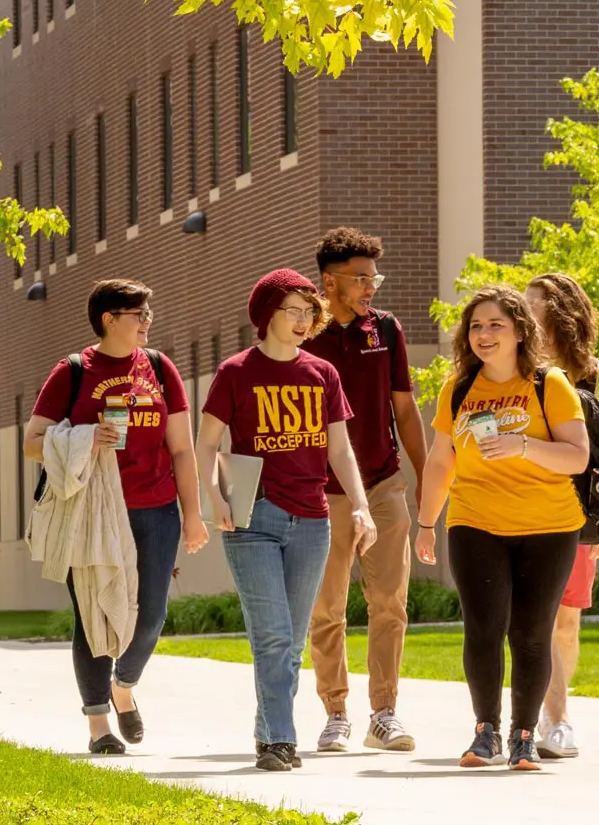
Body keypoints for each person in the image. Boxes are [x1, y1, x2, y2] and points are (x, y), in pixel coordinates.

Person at [196, 268, 377, 772]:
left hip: (313, 520)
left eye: (308, 312)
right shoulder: (235, 372)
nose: (302, 321)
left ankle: (266, 729)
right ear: (266, 314)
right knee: (272, 634)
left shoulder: (322, 374)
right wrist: (215, 499)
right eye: (292, 311)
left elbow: (339, 449)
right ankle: (281, 738)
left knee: (292, 639)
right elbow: (206, 444)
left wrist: (360, 504)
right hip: (251, 517)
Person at [24, 278, 209, 755]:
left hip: (157, 508)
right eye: (139, 315)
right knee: (93, 616)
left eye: (149, 314)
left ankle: (123, 685)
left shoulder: (159, 368)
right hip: (91, 511)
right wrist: (85, 437)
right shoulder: (72, 371)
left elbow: (183, 450)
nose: (148, 322)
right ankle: (99, 726)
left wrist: (193, 515)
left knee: (150, 616)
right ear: (110, 320)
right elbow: (31, 443)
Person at [415, 284, 590, 771]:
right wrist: (426, 522)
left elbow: (578, 457)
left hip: (549, 526)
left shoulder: (548, 384)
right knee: (483, 628)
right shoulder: (459, 389)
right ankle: (485, 732)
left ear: (519, 332)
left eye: (496, 325)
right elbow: (438, 462)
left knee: (531, 633)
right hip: (476, 522)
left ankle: (525, 736)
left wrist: (523, 446)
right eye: (476, 325)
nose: (484, 334)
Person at [302, 227, 428, 753]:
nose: (371, 286)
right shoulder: (303, 333)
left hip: (383, 481)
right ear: (329, 282)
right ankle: (335, 712)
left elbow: (404, 408)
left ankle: (385, 713)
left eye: (375, 276)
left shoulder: (388, 330)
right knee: (327, 607)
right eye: (361, 278)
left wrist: (429, 482)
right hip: (322, 490)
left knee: (389, 602)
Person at [525, 273, 599, 759]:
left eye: (532, 305)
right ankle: (556, 718)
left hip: (577, 510)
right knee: (538, 617)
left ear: (559, 313)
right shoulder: (517, 369)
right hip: (524, 508)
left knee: (566, 621)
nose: (524, 312)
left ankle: (551, 710)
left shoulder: (596, 376)